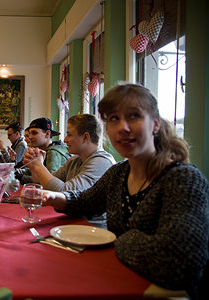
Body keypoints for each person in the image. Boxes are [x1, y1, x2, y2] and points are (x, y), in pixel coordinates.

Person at [42, 83, 208, 299]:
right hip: (119, 280)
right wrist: (52, 196)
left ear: (155, 124)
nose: (122, 127)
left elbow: (177, 263)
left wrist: (115, 240)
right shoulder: (119, 174)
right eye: (113, 119)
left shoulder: (184, 180)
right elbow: (84, 203)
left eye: (134, 116)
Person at [24, 114, 115, 191]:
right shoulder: (74, 160)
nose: (65, 140)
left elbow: (65, 191)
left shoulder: (101, 162)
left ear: (85, 137)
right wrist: (33, 166)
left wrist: (38, 165)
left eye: (69, 135)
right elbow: (44, 184)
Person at [16, 117, 70, 184]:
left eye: (34, 133)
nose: (30, 137)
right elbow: (32, 171)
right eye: (29, 133)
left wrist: (20, 177)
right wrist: (16, 172)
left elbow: (49, 182)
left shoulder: (53, 152)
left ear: (47, 134)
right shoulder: (43, 150)